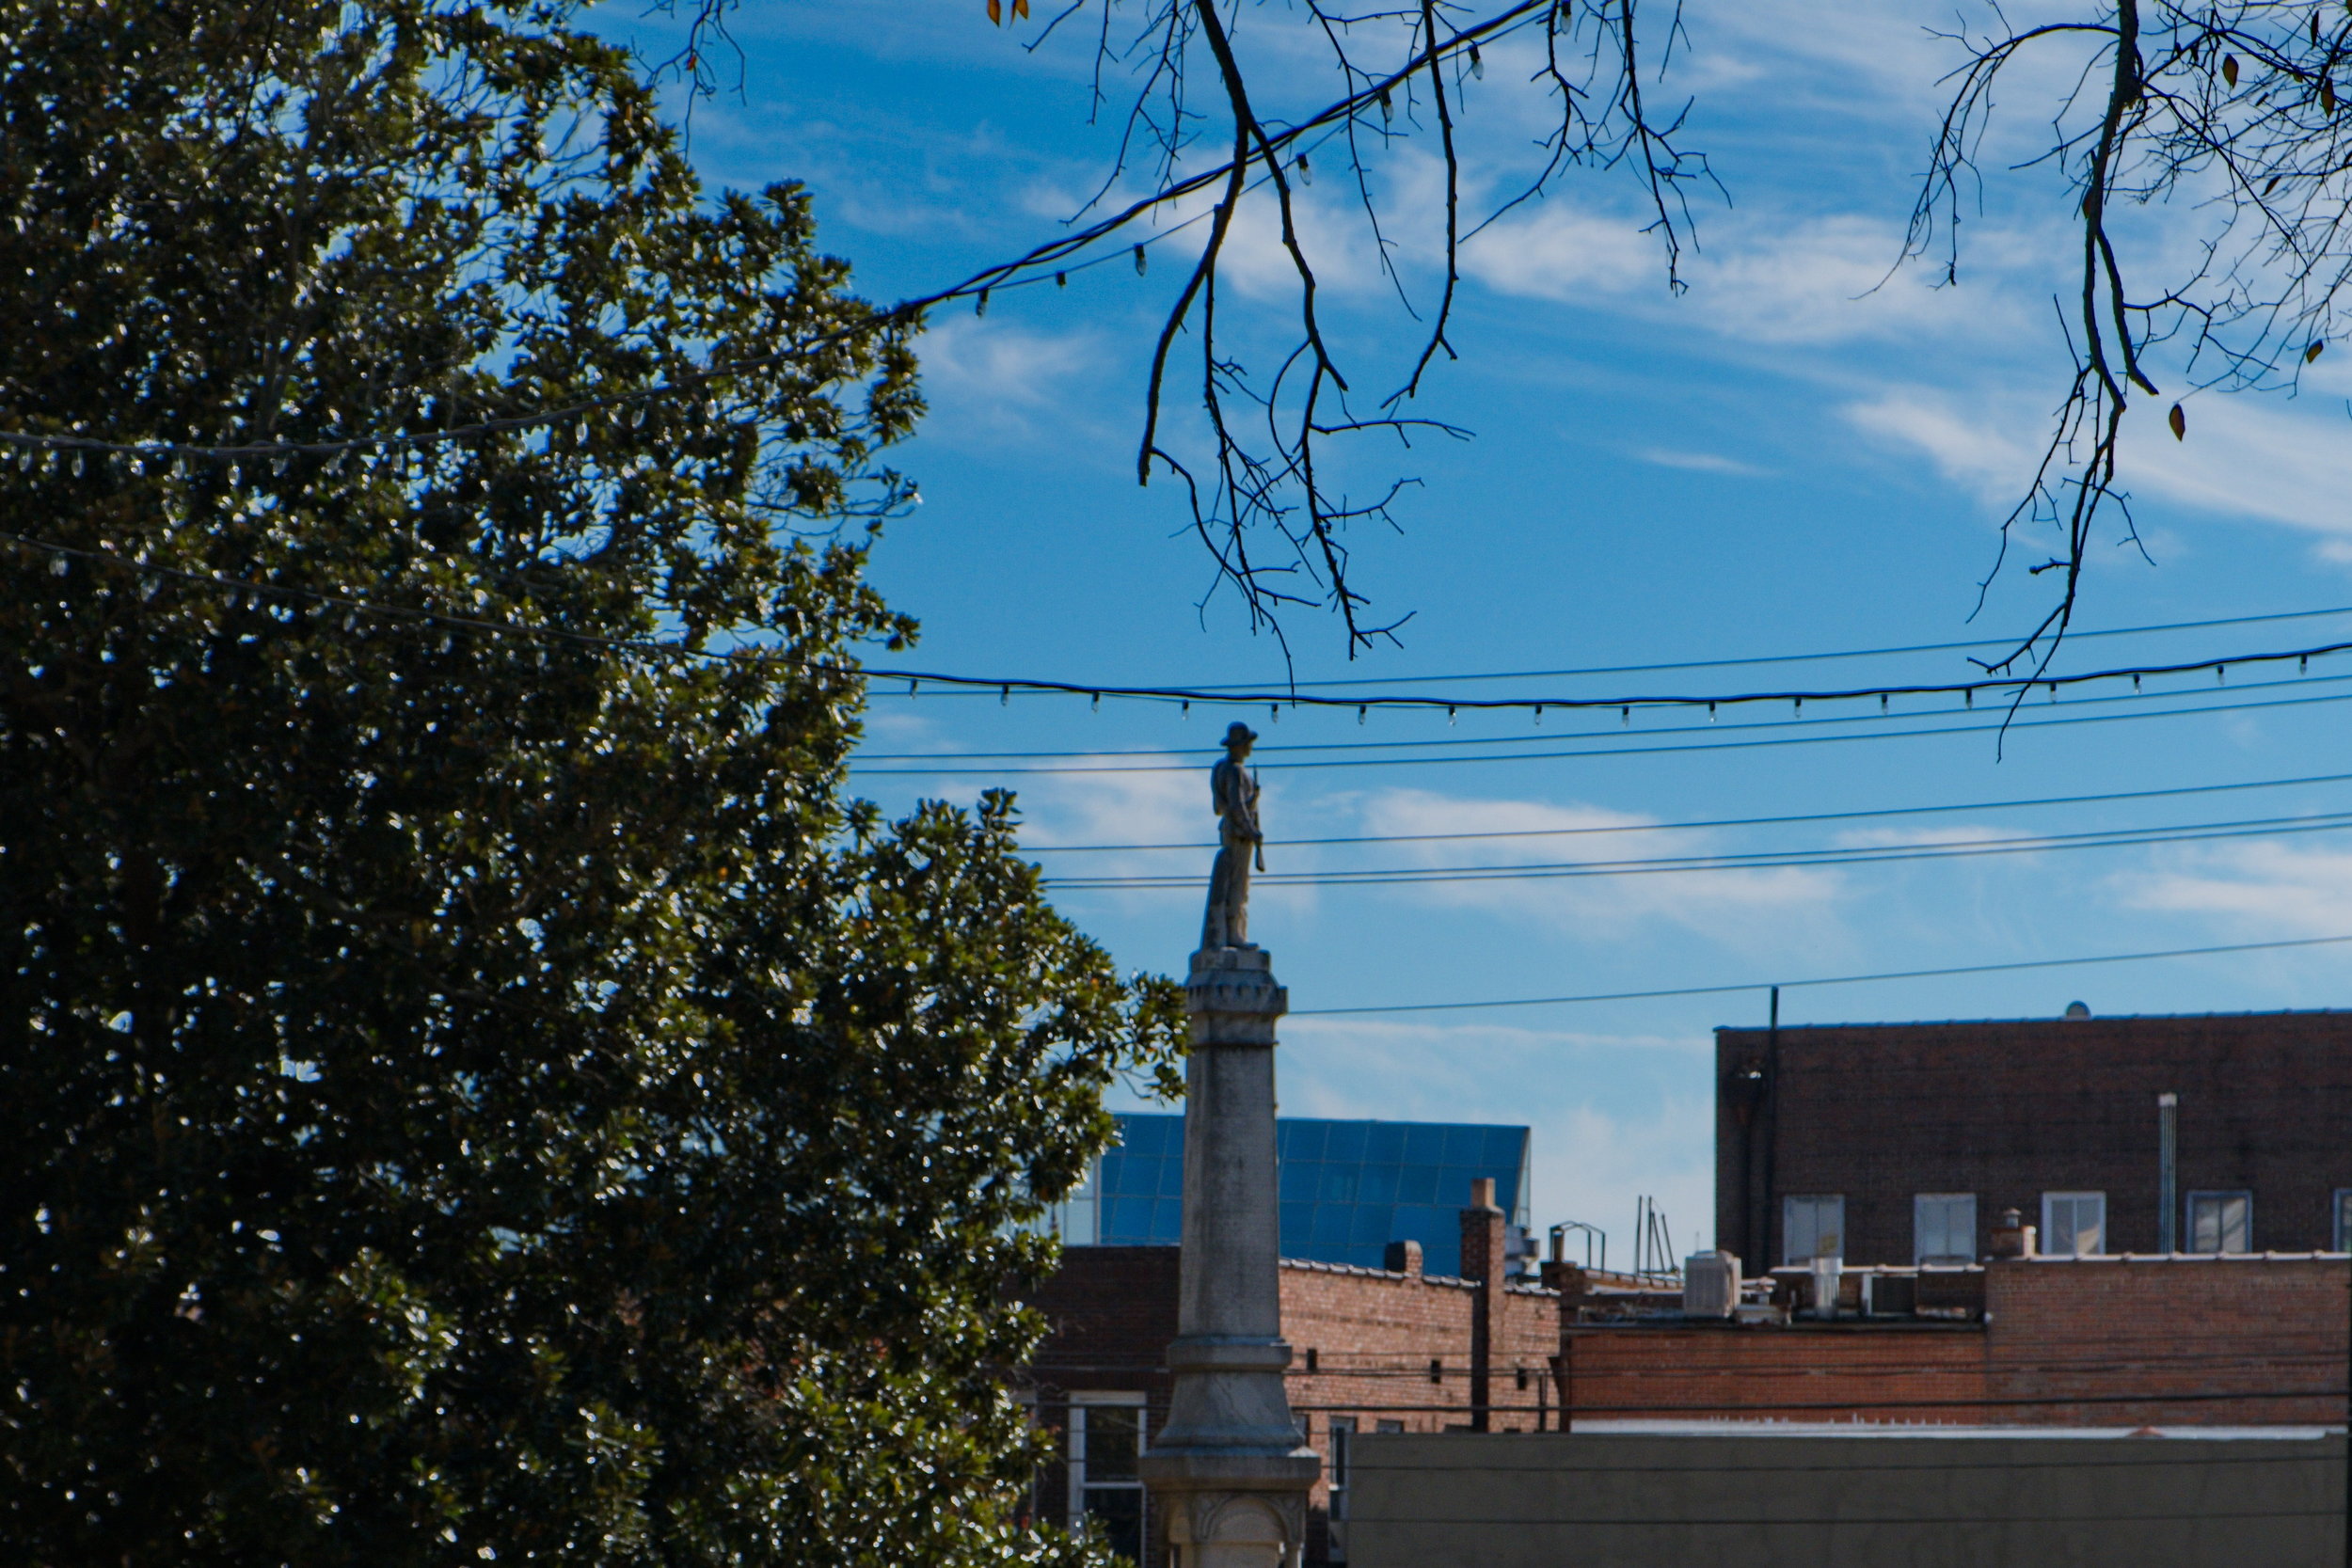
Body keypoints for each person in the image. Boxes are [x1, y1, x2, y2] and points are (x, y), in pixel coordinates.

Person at [1200, 721, 1263, 951]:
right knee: (1238, 886)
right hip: (1238, 834)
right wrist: (1250, 829)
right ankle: (1234, 933)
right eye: (1247, 744)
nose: (1249, 749)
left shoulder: (1222, 769)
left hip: (1232, 832)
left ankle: (1236, 931)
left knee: (1237, 883)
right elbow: (1235, 806)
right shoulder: (1235, 771)